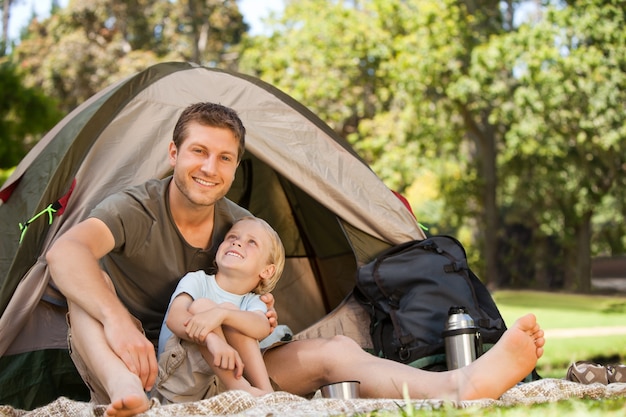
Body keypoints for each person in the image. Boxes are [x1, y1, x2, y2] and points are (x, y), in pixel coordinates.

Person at [46, 102, 545, 417]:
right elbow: (63, 251)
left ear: (235, 167)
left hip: (227, 369)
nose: (209, 168)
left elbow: (258, 313)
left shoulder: (241, 227)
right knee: (85, 297)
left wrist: (256, 317)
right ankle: (127, 397)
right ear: (174, 153)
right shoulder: (136, 208)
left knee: (335, 355)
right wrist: (120, 323)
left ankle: (459, 384)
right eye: (198, 151)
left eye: (224, 158)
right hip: (145, 365)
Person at [157, 216, 285, 401]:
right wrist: (211, 340)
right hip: (176, 384)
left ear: (266, 271)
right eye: (232, 237)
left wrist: (223, 314)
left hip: (219, 388)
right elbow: (174, 318)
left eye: (251, 242)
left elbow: (262, 327)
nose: (237, 243)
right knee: (203, 306)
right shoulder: (197, 281)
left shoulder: (253, 302)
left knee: (236, 317)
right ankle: (241, 389)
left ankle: (266, 395)